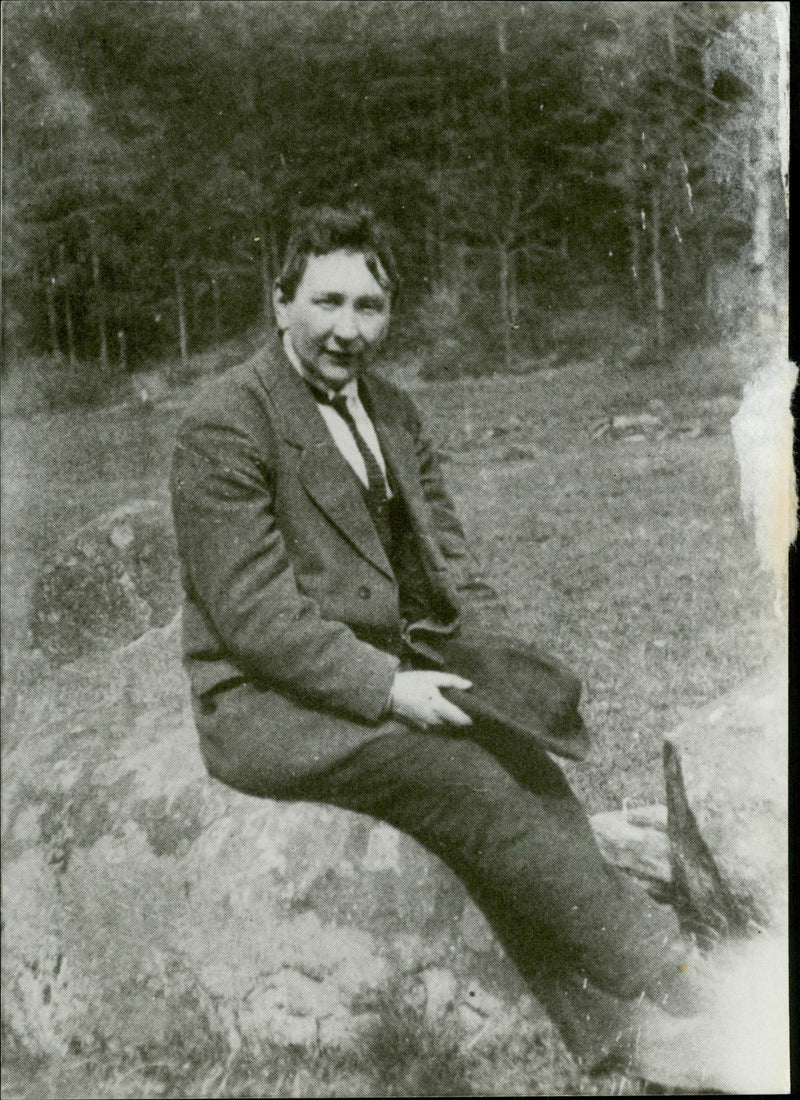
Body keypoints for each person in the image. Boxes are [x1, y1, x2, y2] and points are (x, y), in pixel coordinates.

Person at [170, 205, 722, 1090]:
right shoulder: (225, 425)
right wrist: (391, 688)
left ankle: (610, 1041)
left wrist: (493, 664)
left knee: (520, 754)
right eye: (328, 302)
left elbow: (451, 559)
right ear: (280, 304)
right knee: (463, 778)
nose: (350, 330)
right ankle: (678, 982)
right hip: (271, 700)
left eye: (372, 307)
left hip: (392, 664)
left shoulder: (393, 408)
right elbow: (254, 618)